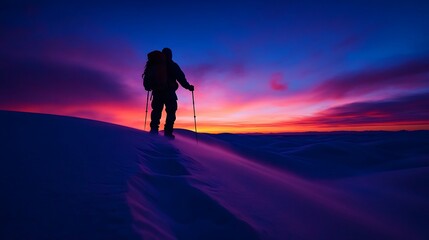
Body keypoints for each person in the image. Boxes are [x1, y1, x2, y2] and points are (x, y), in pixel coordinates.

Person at [143, 48, 194, 139]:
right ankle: (168, 134)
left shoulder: (154, 64)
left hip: (157, 92)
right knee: (171, 113)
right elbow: (181, 78)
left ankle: (154, 131)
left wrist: (148, 86)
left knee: (156, 112)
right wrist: (188, 87)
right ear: (170, 55)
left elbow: (148, 77)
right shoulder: (172, 65)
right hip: (169, 93)